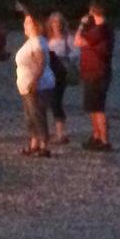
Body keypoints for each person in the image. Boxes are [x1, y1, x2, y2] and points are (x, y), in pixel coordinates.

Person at [77, 0, 115, 150]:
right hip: (93, 72)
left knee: (98, 108)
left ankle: (104, 140)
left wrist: (82, 25)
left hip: (97, 73)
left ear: (93, 12)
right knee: (92, 107)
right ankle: (96, 136)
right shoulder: (104, 29)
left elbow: (78, 41)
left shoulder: (99, 30)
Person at [15, 9, 53, 156]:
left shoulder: (37, 42)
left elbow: (41, 63)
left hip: (37, 86)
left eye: (29, 22)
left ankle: (44, 145)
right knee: (30, 116)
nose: (25, 25)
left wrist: (34, 81)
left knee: (38, 115)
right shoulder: (31, 42)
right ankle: (34, 144)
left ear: (37, 25)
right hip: (26, 86)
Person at [44, 10, 74, 146]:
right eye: (54, 22)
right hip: (49, 71)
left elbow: (75, 53)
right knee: (49, 101)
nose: (56, 25)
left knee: (56, 101)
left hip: (60, 71)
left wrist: (63, 58)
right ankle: (55, 131)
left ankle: (61, 133)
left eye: (59, 22)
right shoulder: (48, 38)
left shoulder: (67, 38)